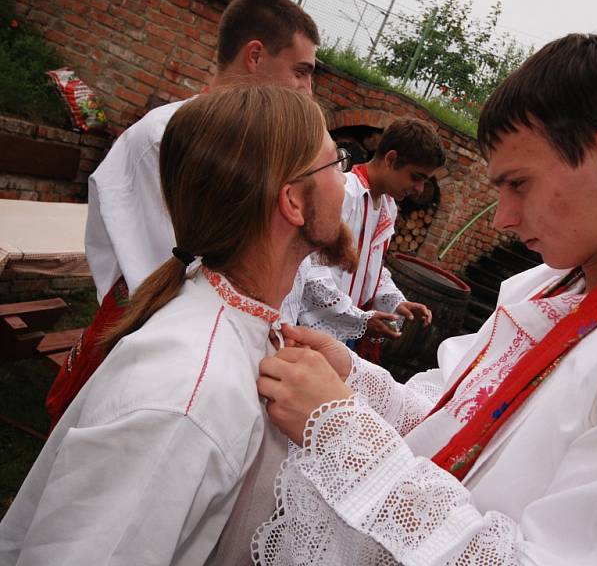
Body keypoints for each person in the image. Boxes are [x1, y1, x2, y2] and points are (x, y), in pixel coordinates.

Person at [251, 33, 597, 565]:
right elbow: (451, 419)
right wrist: (350, 377)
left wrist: (344, 434)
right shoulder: (547, 284)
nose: (506, 219)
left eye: (519, 185)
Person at [0, 86, 355, 564]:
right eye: (336, 163)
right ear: (292, 202)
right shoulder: (188, 395)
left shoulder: (230, 327)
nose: (346, 181)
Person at [45, 0, 320, 426]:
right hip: (156, 346)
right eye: (301, 72)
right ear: (254, 56)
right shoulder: (166, 136)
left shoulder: (248, 147)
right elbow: (161, 268)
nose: (308, 90)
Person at [297, 118, 443, 351]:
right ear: (391, 159)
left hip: (343, 333)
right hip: (307, 327)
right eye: (416, 177)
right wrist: (359, 318)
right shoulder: (344, 192)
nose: (419, 189)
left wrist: (396, 301)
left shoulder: (388, 206)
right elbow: (310, 268)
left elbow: (370, 268)